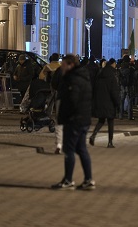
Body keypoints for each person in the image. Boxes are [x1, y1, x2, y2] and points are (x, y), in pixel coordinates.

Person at [51, 54, 95, 190]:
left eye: (63, 65)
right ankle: (88, 179)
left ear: (70, 65)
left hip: (74, 119)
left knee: (69, 149)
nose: (61, 67)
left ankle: (68, 180)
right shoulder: (84, 77)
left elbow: (72, 101)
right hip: (84, 119)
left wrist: (65, 117)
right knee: (82, 149)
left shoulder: (73, 79)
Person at [89, 58, 120, 148]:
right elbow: (114, 91)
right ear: (113, 64)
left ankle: (94, 134)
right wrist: (117, 103)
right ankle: (110, 142)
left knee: (101, 120)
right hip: (109, 102)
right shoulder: (112, 76)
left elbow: (94, 88)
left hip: (100, 101)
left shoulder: (99, 74)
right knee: (110, 122)